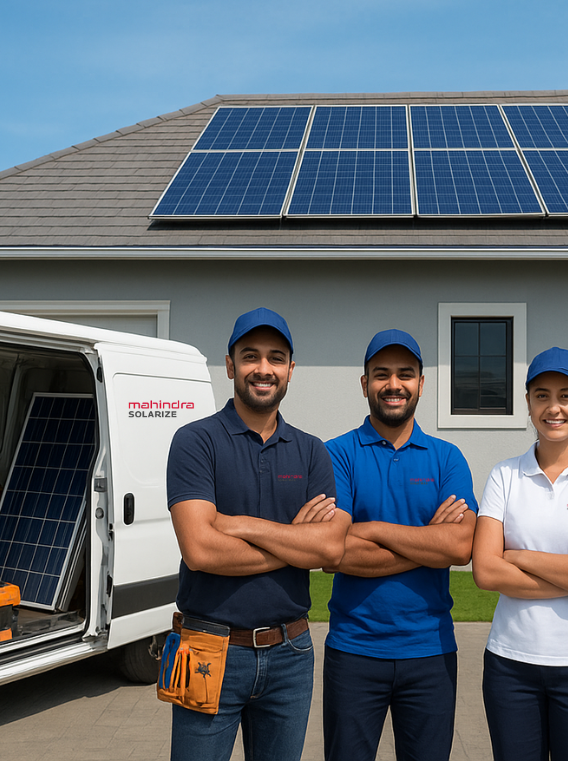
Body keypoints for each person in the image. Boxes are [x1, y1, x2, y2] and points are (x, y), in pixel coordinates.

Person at [165, 307, 350, 761]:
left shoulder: (311, 452)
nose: (263, 369)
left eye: (276, 358)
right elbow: (201, 550)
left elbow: (329, 548)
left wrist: (242, 525)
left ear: (290, 370)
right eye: (250, 356)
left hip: (291, 652)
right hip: (204, 644)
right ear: (230, 365)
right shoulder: (195, 441)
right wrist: (294, 542)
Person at [322, 329, 476, 761]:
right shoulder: (337, 455)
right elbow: (333, 552)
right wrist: (428, 539)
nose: (394, 384)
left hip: (430, 653)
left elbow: (461, 546)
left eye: (405, 374)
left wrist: (370, 530)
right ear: (365, 383)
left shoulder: (447, 458)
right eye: (381, 374)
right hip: (353, 650)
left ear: (422, 383)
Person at [471, 347, 568, 761]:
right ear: (528, 402)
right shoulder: (504, 474)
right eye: (542, 396)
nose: (553, 408)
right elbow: (485, 571)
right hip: (510, 664)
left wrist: (518, 557)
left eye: (566, 395)